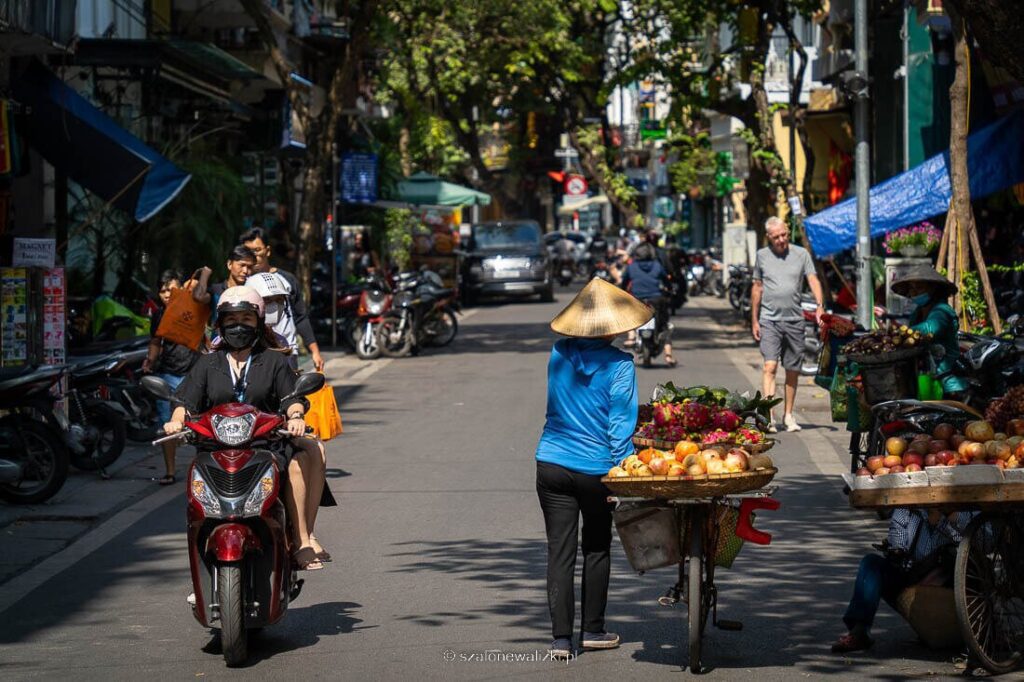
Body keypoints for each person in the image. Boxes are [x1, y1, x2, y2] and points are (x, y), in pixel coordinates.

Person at [165, 286, 332, 569]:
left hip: (263, 445)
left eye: (246, 319)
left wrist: (295, 417)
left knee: (300, 458)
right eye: (231, 320)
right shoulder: (207, 363)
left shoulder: (275, 361)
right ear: (220, 324)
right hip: (215, 449)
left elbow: (292, 398)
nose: (238, 326)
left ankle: (302, 538)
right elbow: (185, 400)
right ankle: (203, 570)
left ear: (259, 322)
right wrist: (177, 419)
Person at [535, 278, 653, 659]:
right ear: (612, 328)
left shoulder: (559, 352)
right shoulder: (621, 365)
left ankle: (560, 640)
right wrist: (621, 472)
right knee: (597, 547)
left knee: (559, 552)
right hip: (595, 470)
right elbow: (620, 426)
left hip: (550, 463)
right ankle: (593, 630)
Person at [831, 508, 973, 653]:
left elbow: (985, 540)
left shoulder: (967, 508)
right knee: (871, 564)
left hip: (952, 584)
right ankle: (859, 631)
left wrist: (949, 516)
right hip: (913, 582)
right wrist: (896, 551)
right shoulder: (906, 509)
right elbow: (897, 543)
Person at [750, 216, 825, 432]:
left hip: (794, 320)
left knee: (793, 369)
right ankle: (768, 417)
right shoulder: (762, 256)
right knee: (770, 366)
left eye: (783, 235)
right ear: (769, 238)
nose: (781, 240)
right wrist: (754, 319)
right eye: (776, 237)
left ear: (787, 232)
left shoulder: (801, 254)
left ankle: (789, 415)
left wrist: (819, 306)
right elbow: (757, 287)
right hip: (769, 320)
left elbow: (813, 280)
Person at [143, 270, 200, 485]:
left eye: (171, 288)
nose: (167, 294)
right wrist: (150, 359)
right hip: (167, 374)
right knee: (167, 425)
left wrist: (193, 282)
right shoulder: (159, 315)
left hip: (194, 374)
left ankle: (200, 470)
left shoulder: (195, 306)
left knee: (198, 424)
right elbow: (156, 341)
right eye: (163, 290)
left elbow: (199, 286)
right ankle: (170, 471)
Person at [240, 227, 325, 372]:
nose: (254, 256)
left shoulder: (287, 280)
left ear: (268, 250)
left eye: (257, 250)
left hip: (287, 352)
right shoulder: (242, 283)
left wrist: (315, 351)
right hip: (252, 355)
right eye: (248, 251)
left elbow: (300, 317)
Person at [890, 268, 968, 399]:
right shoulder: (917, 314)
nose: (913, 292)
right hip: (927, 380)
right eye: (912, 288)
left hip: (948, 384)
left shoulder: (943, 311)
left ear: (933, 289)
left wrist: (900, 333)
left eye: (919, 288)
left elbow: (930, 328)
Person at [620, 242, 675, 367]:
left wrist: (623, 292)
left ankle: (632, 335)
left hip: (637, 300)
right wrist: (670, 289)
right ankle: (669, 355)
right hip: (656, 300)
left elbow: (624, 282)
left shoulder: (631, 266)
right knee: (664, 325)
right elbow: (666, 281)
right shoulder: (657, 265)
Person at [247, 271, 301, 369]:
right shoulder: (234, 339)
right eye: (267, 299)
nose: (275, 305)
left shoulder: (281, 341)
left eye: (279, 300)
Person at [191, 244, 257, 324]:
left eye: (249, 267)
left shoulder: (252, 293)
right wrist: (205, 274)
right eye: (242, 265)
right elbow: (199, 297)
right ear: (229, 264)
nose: (245, 271)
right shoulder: (216, 290)